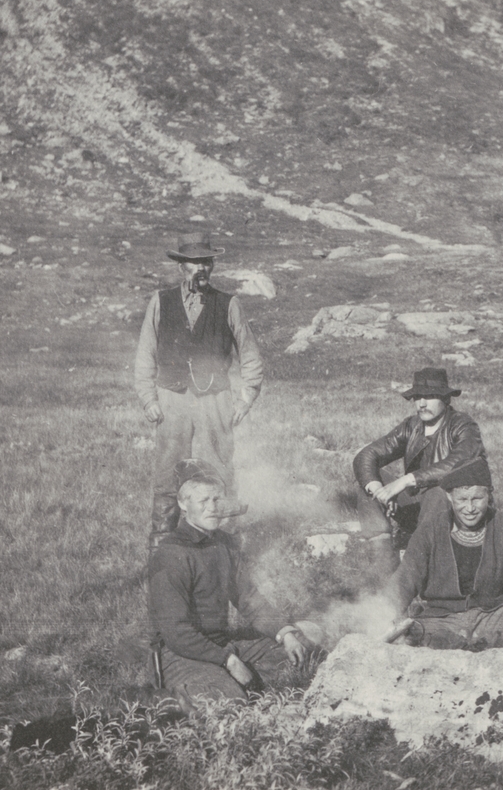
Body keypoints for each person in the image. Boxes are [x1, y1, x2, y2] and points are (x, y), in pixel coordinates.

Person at [148, 459, 315, 706]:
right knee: (230, 704)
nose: (212, 508)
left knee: (303, 652)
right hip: (181, 654)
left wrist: (285, 633)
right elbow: (176, 632)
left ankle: (227, 684)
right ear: (183, 503)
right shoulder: (171, 553)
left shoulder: (224, 543)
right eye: (203, 501)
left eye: (217, 499)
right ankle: (165, 699)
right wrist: (227, 660)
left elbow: (249, 599)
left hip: (221, 645)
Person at [134, 233, 264, 548]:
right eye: (194, 263)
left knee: (219, 467)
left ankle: (223, 544)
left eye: (206, 262)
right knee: (168, 471)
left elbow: (250, 355)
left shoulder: (229, 304)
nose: (201, 268)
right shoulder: (161, 301)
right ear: (181, 266)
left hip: (215, 398)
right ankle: (162, 547)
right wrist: (148, 399)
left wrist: (245, 399)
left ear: (213, 265)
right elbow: (145, 353)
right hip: (173, 397)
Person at [388, 458, 503, 649]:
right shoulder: (430, 530)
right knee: (412, 631)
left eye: (477, 499)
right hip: (443, 620)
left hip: (495, 615)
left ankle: (495, 644)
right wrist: (385, 615)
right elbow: (405, 578)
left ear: (488, 495)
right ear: (449, 497)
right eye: (462, 500)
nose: (470, 508)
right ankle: (482, 645)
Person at [353, 368, 486, 552]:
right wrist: (380, 492)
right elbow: (366, 455)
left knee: (437, 492)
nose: (422, 404)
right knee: (368, 480)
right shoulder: (412, 426)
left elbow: (461, 461)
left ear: (446, 398)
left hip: (457, 511)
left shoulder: (463, 425)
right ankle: (381, 558)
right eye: (417, 397)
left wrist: (406, 480)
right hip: (417, 508)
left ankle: (426, 555)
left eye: (429, 396)